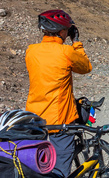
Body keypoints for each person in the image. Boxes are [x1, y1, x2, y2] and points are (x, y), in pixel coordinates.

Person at [25, 10, 92, 178]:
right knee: (60, 167)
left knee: (37, 164)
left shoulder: (31, 51)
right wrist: (75, 42)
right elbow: (85, 67)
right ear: (62, 31)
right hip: (60, 120)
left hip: (34, 118)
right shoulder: (65, 52)